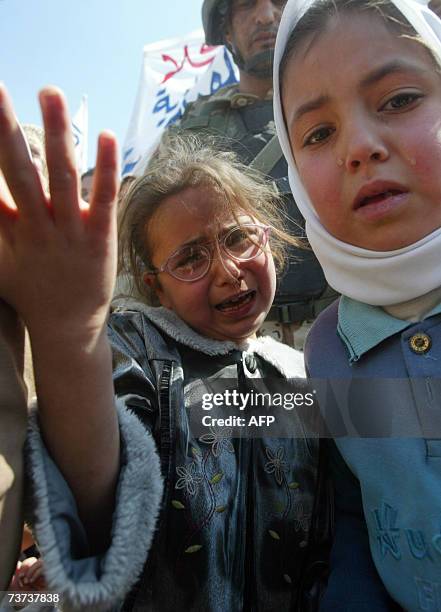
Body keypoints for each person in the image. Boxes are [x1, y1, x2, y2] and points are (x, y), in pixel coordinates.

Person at [0, 86, 331, 611]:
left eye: (240, 239)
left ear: (271, 239)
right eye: (191, 258)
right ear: (156, 286)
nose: (226, 271)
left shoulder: (304, 374)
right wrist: (70, 330)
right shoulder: (140, 351)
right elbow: (95, 490)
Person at [273, 0, 441, 609]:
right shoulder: (325, 349)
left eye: (399, 100)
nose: (360, 147)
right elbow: (355, 514)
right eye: (318, 133)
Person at [177, 0, 338, 349]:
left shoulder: (346, 98)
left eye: (279, 2)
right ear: (227, 31)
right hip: (236, 347)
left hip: (346, 331)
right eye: (247, 6)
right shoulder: (190, 129)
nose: (266, 16)